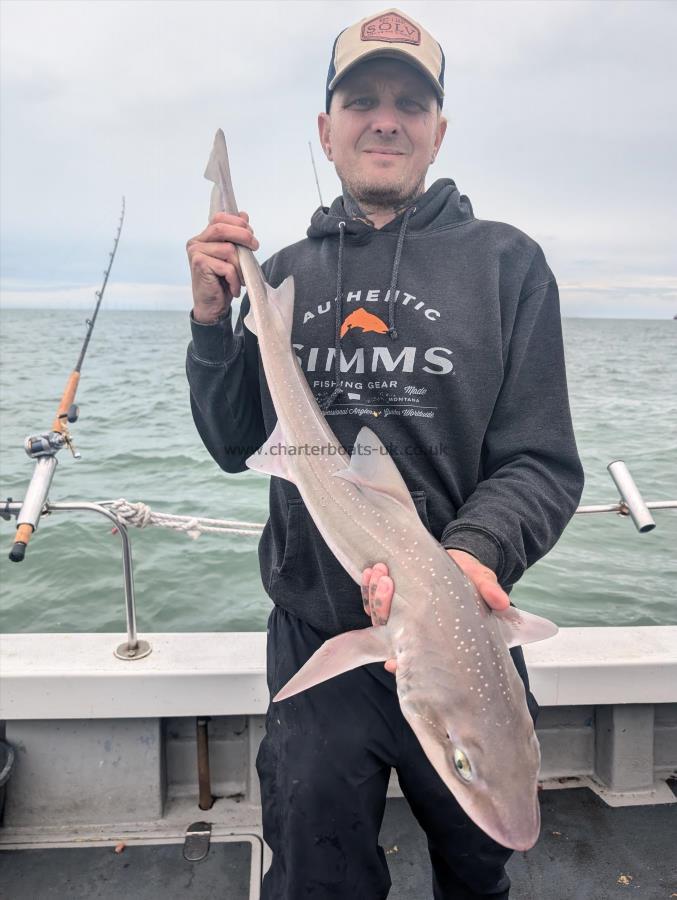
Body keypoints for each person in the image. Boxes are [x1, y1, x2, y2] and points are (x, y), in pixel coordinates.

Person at [185, 7, 584, 898]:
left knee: (482, 865)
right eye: (360, 99)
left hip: (465, 623)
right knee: (318, 878)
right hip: (322, 636)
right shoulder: (285, 266)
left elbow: (542, 465)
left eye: (410, 102)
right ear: (325, 129)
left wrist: (472, 552)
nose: (385, 118)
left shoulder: (506, 266)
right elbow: (230, 443)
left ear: (438, 129)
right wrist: (215, 322)